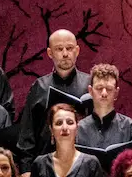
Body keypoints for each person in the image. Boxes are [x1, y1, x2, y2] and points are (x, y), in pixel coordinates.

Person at [16, 28, 88, 165]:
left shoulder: (90, 84)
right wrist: (26, 168)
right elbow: (27, 130)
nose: (65, 54)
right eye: (59, 49)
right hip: (45, 162)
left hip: (83, 163)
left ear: (77, 50)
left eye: (69, 48)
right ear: (50, 53)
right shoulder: (39, 86)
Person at [76, 63, 132, 163]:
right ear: (90, 91)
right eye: (99, 88)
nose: (104, 93)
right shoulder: (78, 130)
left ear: (116, 93)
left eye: (109, 89)